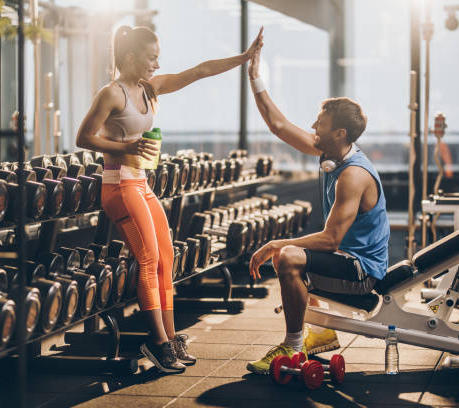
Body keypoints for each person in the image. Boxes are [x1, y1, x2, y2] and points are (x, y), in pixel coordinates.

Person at [76, 25, 264, 373]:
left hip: (141, 182)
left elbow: (200, 71)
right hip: (118, 185)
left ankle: (171, 338)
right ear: (131, 57)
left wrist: (244, 57)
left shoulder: (149, 88)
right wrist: (126, 147)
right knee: (148, 258)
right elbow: (83, 137)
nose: (156, 63)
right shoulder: (111, 93)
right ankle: (157, 342)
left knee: (167, 254)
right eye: (151, 57)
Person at [245, 38, 390, 374]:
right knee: (291, 254)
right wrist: (255, 78)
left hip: (362, 270)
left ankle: (293, 346)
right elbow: (279, 126)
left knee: (290, 256)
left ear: (339, 133)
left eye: (319, 124)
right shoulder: (331, 154)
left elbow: (330, 241)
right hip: (345, 259)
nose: (312, 128)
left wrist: (275, 243)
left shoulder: (352, 175)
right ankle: (320, 335)